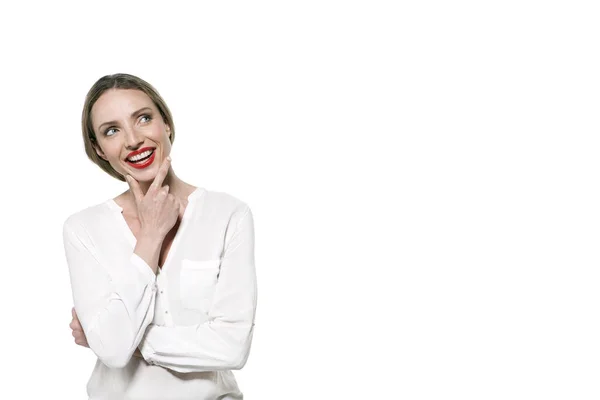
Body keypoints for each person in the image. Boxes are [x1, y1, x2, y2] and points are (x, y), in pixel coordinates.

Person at [62, 73, 257, 400]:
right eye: (112, 130)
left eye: (143, 118)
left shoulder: (228, 214)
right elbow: (110, 353)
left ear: (165, 123)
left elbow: (232, 347)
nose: (133, 140)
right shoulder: (83, 229)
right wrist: (151, 235)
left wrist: (126, 342)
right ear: (99, 149)